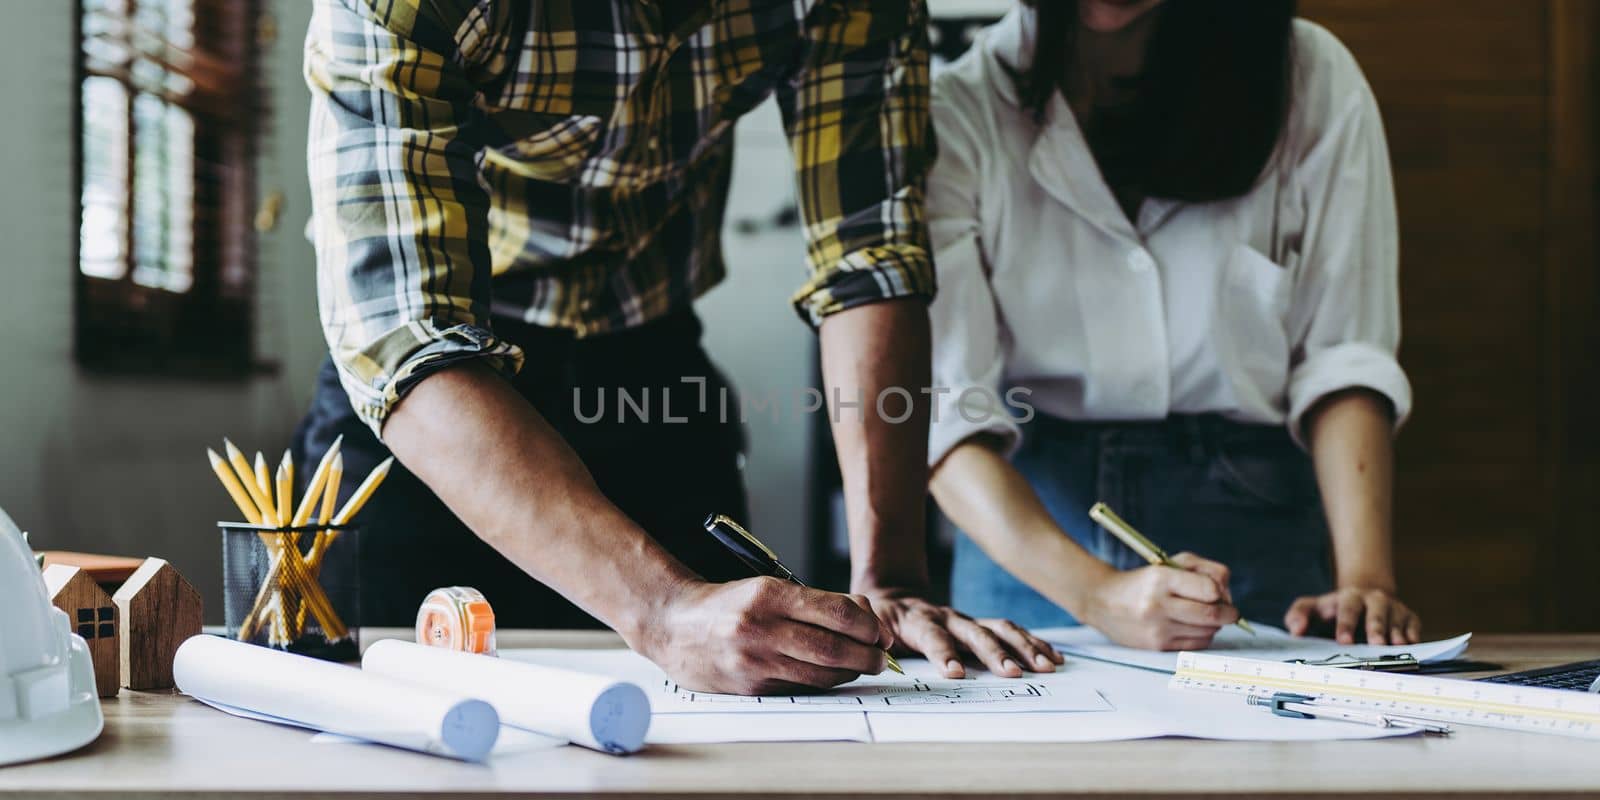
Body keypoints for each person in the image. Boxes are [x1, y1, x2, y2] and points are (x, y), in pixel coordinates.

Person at [293, 0, 1062, 695]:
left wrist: (889, 575)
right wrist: (660, 607)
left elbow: (870, 256)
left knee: (728, 717)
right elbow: (408, 334)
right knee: (380, 722)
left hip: (647, 362)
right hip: (442, 402)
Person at [924, 0, 1420, 650]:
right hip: (1029, 539)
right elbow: (948, 415)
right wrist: (1097, 594)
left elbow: (1344, 355)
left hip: (1252, 522)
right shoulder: (957, 108)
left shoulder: (1311, 75)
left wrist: (1365, 579)